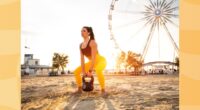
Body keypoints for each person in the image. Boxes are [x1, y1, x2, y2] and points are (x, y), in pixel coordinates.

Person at [73, 26, 107, 95]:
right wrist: (83, 71)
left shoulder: (92, 42)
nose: (82, 32)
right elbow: (82, 59)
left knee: (98, 70)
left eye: (84, 31)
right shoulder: (80, 45)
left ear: (89, 33)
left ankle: (103, 90)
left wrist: (90, 71)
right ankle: (79, 88)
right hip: (91, 62)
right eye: (81, 31)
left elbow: (94, 57)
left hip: (100, 61)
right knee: (76, 71)